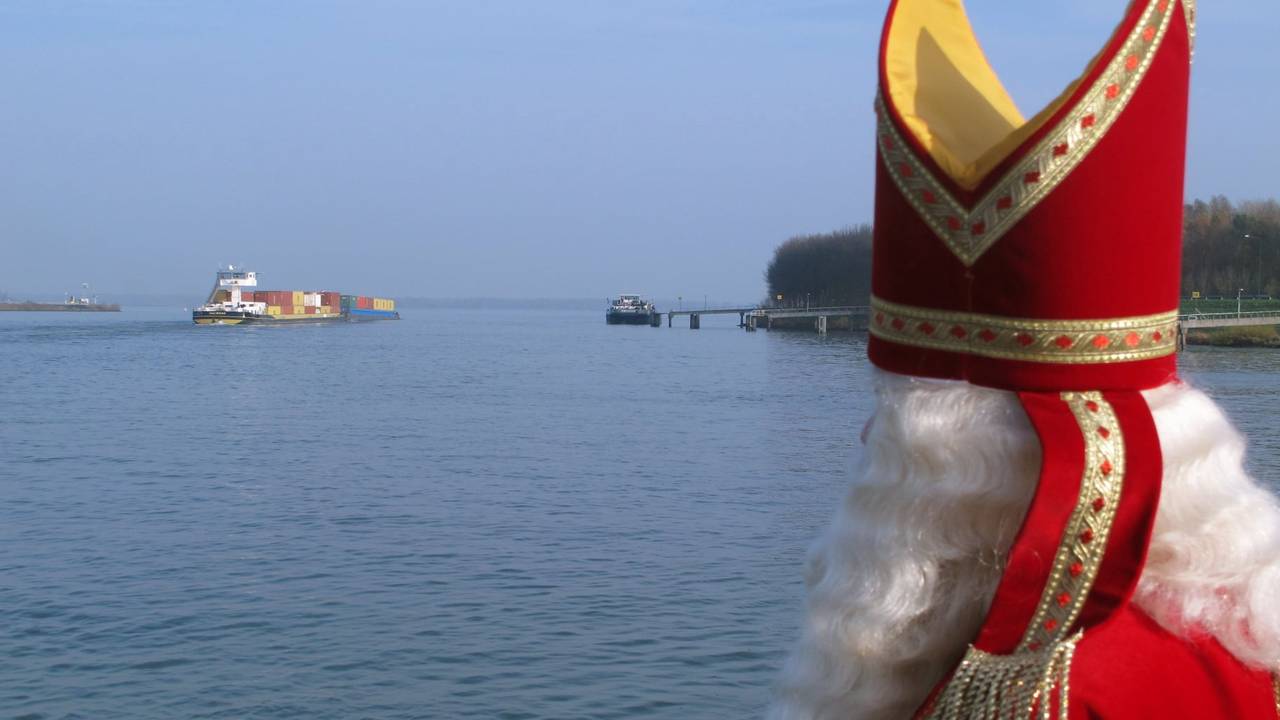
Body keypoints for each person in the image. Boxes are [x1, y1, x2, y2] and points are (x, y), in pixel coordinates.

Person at [769, 1, 1280, 717]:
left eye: (892, 420)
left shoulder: (1042, 698)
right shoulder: (1253, 634)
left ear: (971, 472)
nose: (864, 439)